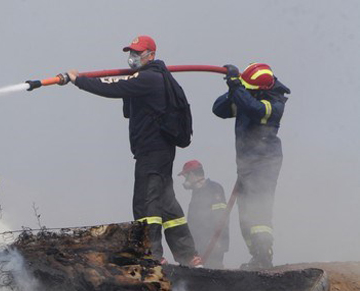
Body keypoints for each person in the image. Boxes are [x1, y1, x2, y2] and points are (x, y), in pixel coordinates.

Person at [59, 35, 201, 267]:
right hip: (161, 151)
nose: (133, 57)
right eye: (131, 52)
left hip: (151, 151)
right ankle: (189, 256)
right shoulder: (155, 77)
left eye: (138, 53)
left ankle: (151, 256)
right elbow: (127, 101)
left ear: (151, 55)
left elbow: (112, 88)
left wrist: (78, 80)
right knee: (166, 201)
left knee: (146, 202)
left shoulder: (149, 78)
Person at [212, 63, 290, 269]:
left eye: (248, 88)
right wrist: (233, 89)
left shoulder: (274, 105)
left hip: (264, 163)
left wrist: (237, 87)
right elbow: (218, 109)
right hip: (246, 164)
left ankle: (264, 255)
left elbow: (254, 110)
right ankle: (256, 256)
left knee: (258, 209)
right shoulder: (247, 97)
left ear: (260, 89)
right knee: (245, 211)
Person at [178, 160, 229, 269]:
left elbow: (221, 217)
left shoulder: (214, 188)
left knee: (213, 273)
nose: (185, 180)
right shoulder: (197, 192)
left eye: (186, 177)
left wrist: (217, 240)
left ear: (192, 174)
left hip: (213, 246)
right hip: (199, 246)